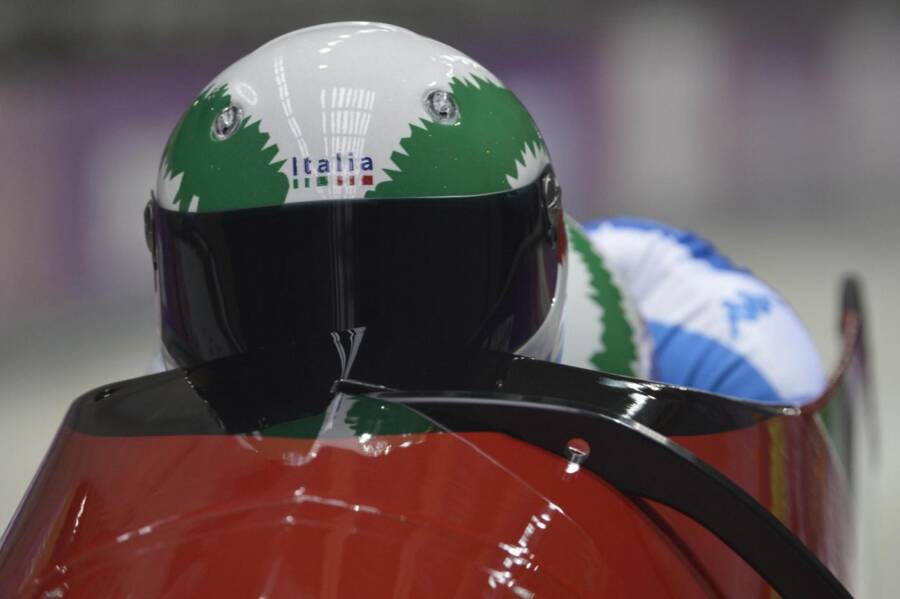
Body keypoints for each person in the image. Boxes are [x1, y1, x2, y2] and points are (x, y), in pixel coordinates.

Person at [146, 21, 824, 406]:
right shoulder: (168, 408)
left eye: (418, 280)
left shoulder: (716, 353)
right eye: (277, 290)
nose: (347, 357)